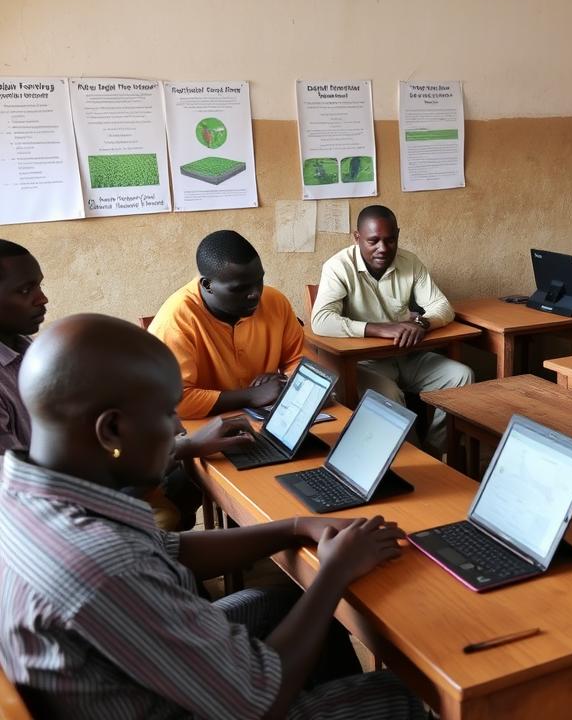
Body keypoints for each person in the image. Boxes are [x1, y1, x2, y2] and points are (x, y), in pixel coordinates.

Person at [0, 313, 423, 719]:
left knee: (280, 602)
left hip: (118, 684)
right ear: (110, 431)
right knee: (406, 693)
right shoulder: (106, 563)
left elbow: (172, 548)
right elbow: (261, 701)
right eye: (168, 413)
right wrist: (334, 571)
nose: (178, 430)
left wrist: (295, 527)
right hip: (212, 706)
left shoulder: (20, 493)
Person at [0, 239, 254, 530]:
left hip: (80, 487)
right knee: (177, 487)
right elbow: (20, 495)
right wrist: (184, 446)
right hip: (53, 516)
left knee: (189, 480)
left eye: (39, 286)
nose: (42, 298)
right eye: (25, 290)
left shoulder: (25, 349)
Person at [310, 205, 473, 453]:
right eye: (373, 241)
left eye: (390, 240)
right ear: (357, 238)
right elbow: (321, 320)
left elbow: (442, 306)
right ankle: (413, 462)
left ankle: (437, 452)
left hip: (407, 355)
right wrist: (379, 329)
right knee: (390, 394)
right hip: (364, 363)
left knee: (461, 375)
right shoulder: (338, 267)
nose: (383, 249)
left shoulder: (410, 262)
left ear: (397, 234)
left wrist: (422, 323)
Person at [149, 230, 306, 420]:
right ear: (207, 285)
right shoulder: (175, 320)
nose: (255, 294)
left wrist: (286, 381)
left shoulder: (275, 302)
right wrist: (252, 396)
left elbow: (303, 363)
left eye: (259, 281)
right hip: (202, 430)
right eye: (240, 288)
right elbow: (173, 401)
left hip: (267, 422)